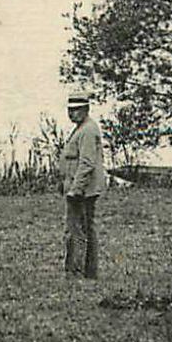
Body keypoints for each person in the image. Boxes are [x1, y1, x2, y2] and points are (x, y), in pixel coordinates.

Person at [60, 93, 106, 279]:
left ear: (86, 109)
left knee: (76, 231)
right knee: (85, 228)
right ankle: (88, 271)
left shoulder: (87, 130)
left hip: (82, 190)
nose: (72, 113)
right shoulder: (83, 128)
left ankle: (76, 271)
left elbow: (87, 163)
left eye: (77, 110)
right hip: (80, 188)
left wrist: (76, 189)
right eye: (70, 110)